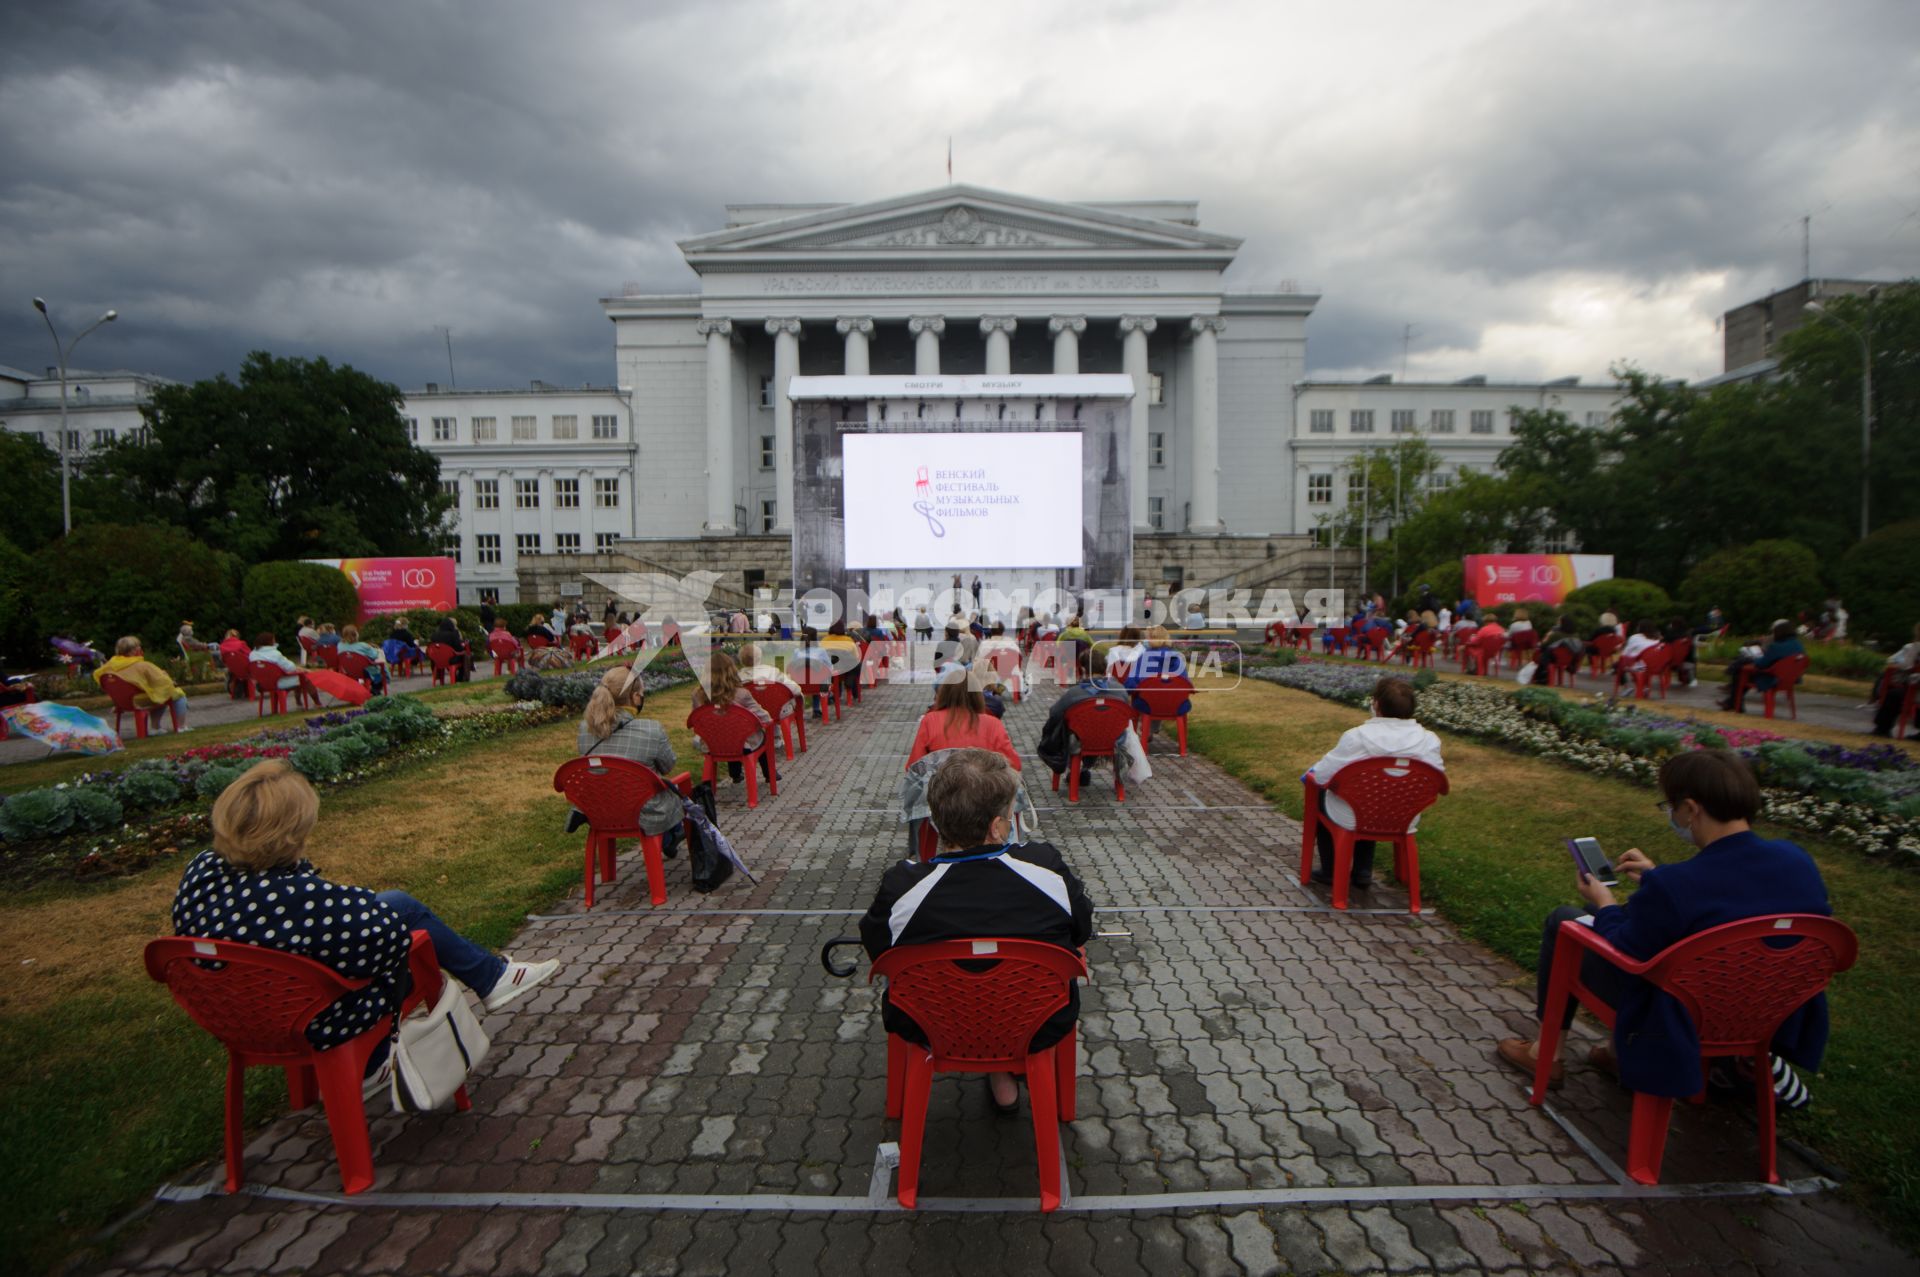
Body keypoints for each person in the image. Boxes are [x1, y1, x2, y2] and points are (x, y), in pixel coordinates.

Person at [172, 763, 558, 1095]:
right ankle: (379, 1057)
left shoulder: (202, 872)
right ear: (291, 834)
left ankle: (493, 978)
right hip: (318, 1020)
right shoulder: (304, 898)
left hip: (237, 1017)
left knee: (391, 905)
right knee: (403, 922)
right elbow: (387, 943)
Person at [1495, 750, 1831, 1104]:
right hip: (1763, 1011)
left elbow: (1625, 947)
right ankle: (1616, 1054)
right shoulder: (1797, 861)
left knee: (1566, 921)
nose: (1672, 815)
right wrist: (1656, 880)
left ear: (1691, 809)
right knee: (1600, 917)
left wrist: (1604, 902)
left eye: (1670, 805)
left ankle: (1547, 1054)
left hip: (1680, 1017)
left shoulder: (1678, 885)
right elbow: (1728, 902)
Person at [859, 748, 1093, 1113]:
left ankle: (998, 1073)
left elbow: (880, 953)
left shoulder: (901, 885)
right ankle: (1006, 1074)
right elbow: (1081, 928)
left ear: (936, 819)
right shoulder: (1045, 866)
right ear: (997, 826)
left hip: (930, 1022)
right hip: (1036, 1020)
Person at [1304, 677, 1444, 891]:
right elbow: (1437, 778)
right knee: (1373, 800)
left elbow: (1323, 775)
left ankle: (1330, 871)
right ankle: (1363, 871)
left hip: (1354, 814)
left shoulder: (1357, 736)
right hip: (1404, 816)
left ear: (1376, 704)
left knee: (1328, 798)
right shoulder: (1429, 740)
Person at [574, 665, 683, 855]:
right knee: (676, 791)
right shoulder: (651, 730)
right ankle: (671, 836)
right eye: (641, 693)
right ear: (634, 697)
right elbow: (668, 766)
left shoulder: (585, 729)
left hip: (599, 809)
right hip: (644, 813)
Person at [1038, 644, 1135, 789]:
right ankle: (1087, 770)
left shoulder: (1074, 693)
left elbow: (1055, 713)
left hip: (1082, 741)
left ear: (1083, 669)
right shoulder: (1119, 690)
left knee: (1063, 728)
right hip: (1113, 739)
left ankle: (1076, 770)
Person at [907, 672, 1022, 771]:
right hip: (984, 791)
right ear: (977, 694)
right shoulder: (993, 723)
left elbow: (914, 765)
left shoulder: (930, 720)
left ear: (944, 692)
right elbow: (1014, 764)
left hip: (940, 790)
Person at [690, 650, 774, 784]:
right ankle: (770, 773)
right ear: (732, 671)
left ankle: (735, 773)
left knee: (725, 731)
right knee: (758, 735)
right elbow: (764, 718)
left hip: (712, 744)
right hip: (742, 744)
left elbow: (696, 720)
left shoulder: (697, 695)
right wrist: (765, 721)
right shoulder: (742, 694)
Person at [98, 636, 191, 730]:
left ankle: (156, 728)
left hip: (121, 702)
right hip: (139, 700)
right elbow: (162, 682)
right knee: (174, 694)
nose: (140, 648)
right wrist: (167, 678)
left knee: (158, 693)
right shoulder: (142, 665)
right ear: (133, 650)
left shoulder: (109, 666)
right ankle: (180, 727)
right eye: (138, 646)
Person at [1717, 620, 1806, 713]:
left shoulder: (1776, 647)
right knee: (1743, 668)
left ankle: (1735, 703)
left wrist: (1755, 660)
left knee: (1741, 673)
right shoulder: (1798, 645)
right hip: (1790, 679)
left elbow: (1761, 664)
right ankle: (1732, 702)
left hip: (1772, 679)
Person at [1870, 622, 1920, 738]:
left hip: (1913, 689)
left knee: (1894, 694)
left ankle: (1883, 728)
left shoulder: (1915, 647)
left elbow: (1905, 665)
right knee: (1897, 693)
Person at [738, 641, 802, 718]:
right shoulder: (773, 672)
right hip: (778, 711)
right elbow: (796, 690)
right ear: (760, 657)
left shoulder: (737, 677)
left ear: (741, 660)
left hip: (750, 715)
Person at [1610, 620, 1662, 696]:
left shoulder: (1635, 637)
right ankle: (1644, 687)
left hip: (1639, 666)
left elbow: (1625, 653)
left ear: (1640, 628)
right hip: (1654, 666)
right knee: (1635, 665)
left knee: (1618, 665)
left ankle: (1626, 687)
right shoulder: (1658, 639)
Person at [1529, 617, 1585, 686]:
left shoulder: (1556, 635)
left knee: (1543, 655)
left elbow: (1544, 645)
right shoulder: (1576, 636)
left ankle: (1540, 678)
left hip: (1554, 659)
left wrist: (1547, 637)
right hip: (1570, 660)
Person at [337, 625, 390, 692]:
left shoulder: (340, 645)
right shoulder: (363, 645)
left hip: (349, 671)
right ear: (356, 634)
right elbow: (374, 656)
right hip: (365, 672)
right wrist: (372, 648)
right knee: (381, 661)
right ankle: (376, 688)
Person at [822, 620, 863, 703]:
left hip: (832, 668)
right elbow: (856, 656)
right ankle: (850, 684)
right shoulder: (848, 640)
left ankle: (837, 693)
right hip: (847, 667)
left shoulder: (824, 640)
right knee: (856, 665)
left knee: (833, 671)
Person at [429, 615, 475, 682]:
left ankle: (440, 678)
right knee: (466, 655)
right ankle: (462, 677)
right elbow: (459, 648)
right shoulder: (453, 634)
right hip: (451, 659)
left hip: (437, 660)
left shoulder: (434, 635)